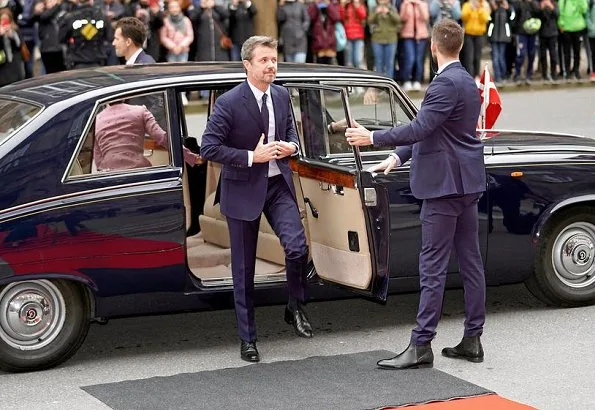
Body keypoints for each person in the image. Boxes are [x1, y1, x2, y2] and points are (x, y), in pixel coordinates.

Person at [344, 19, 486, 369]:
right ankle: (473, 339)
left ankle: (421, 344)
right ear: (459, 46)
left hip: (443, 187)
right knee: (471, 263)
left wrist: (373, 139)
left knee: (432, 268)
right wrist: (396, 156)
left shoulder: (443, 84)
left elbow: (421, 127)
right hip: (465, 184)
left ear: (433, 47)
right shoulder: (466, 81)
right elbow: (436, 131)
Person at [200, 36, 312, 363]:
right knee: (244, 270)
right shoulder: (229, 102)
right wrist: (252, 156)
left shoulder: (280, 95)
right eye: (264, 60)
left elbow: (292, 135)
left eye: (274, 60)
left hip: (278, 186)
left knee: (297, 247)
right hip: (242, 188)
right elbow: (209, 147)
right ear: (247, 65)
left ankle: (294, 305)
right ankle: (247, 338)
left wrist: (292, 147)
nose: (271, 66)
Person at [94, 102, 202, 171]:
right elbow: (162, 138)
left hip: (109, 177)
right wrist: (192, 158)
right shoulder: (140, 111)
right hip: (138, 173)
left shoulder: (97, 119)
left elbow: (98, 159)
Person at [59, 0, 112, 69]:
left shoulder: (70, 17)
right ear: (91, 1)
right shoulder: (102, 16)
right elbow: (109, 37)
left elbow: (61, 38)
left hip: (77, 62)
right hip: (99, 62)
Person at [0, 8, 24, 86]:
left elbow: (19, 46)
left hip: (15, 66)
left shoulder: (15, 30)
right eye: (2, 20)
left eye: (6, 20)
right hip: (3, 67)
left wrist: (12, 36)